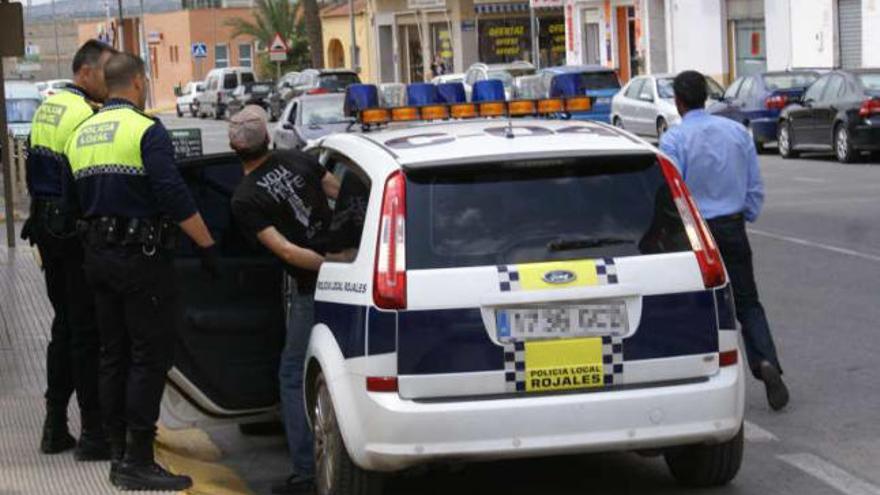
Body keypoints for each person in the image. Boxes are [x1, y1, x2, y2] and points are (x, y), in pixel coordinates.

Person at [63, 52, 218, 491]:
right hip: (141, 261)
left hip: (96, 259)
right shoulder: (146, 130)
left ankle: (117, 449)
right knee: (148, 358)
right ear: (136, 83)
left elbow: (72, 201)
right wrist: (206, 245)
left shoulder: (81, 134)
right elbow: (173, 194)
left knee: (113, 354)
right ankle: (137, 459)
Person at [659, 70, 790, 411]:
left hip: (697, 233)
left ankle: (700, 377)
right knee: (748, 301)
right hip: (732, 226)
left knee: (699, 304)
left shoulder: (674, 140)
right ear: (705, 96)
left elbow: (674, 195)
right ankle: (766, 363)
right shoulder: (736, 132)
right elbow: (754, 185)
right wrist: (743, 214)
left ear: (678, 101)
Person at [227, 105, 338, 495]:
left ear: (232, 146)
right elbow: (340, 193)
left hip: (312, 286)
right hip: (345, 275)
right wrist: (347, 259)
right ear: (269, 139)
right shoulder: (296, 157)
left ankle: (306, 472)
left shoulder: (244, 198)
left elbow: (287, 252)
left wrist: (326, 269)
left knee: (293, 375)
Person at [23, 39, 116, 460]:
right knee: (85, 333)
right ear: (85, 72)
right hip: (74, 236)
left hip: (46, 229)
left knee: (64, 328)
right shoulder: (83, 114)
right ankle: (93, 432)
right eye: (105, 72)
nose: (109, 80)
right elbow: (88, 178)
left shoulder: (50, 105)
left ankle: (54, 423)